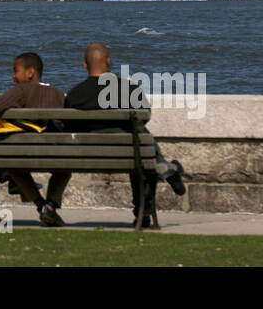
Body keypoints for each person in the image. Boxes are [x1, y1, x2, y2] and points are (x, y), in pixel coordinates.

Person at [65, 42, 186, 224]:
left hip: (87, 156)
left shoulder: (74, 95)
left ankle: (164, 170)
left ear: (85, 64)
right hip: (129, 154)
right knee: (142, 146)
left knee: (140, 144)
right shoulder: (128, 89)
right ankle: (145, 207)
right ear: (109, 62)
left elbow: (68, 126)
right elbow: (144, 118)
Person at [0, 52, 68, 226]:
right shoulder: (58, 93)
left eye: (16, 71)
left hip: (23, 155)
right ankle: (50, 205)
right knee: (65, 169)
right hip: (54, 155)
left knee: (14, 168)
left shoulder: (21, 90)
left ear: (30, 73)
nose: (13, 76)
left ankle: (40, 204)